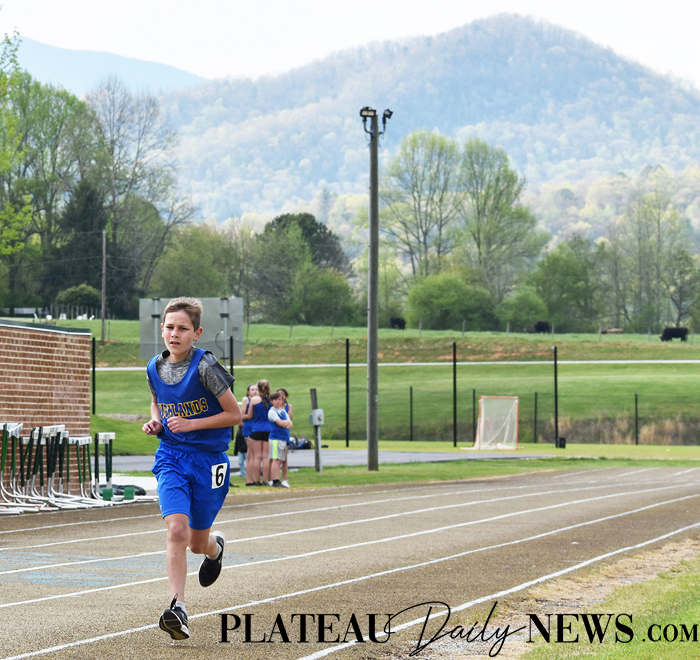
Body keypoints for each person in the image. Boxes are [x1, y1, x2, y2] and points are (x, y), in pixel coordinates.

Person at [142, 297, 241, 641]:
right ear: (162, 329)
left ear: (196, 333)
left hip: (208, 460)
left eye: (183, 329)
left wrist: (192, 424)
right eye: (170, 327)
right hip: (171, 456)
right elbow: (156, 400)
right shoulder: (154, 367)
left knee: (198, 544)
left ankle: (216, 548)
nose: (175, 334)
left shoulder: (205, 366)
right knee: (176, 532)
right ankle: (178, 607)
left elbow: (235, 414)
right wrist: (156, 422)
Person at [243, 379, 273, 485]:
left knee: (257, 456)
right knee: (265, 456)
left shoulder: (254, 400)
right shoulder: (271, 399)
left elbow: (250, 415)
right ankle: (265, 480)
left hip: (256, 428)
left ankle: (257, 480)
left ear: (258, 389)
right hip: (268, 428)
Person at [268, 391, 293, 487]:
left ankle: (279, 479)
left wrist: (285, 423)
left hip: (283, 438)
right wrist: (286, 423)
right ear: (271, 401)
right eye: (275, 399)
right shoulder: (272, 412)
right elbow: (280, 423)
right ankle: (275, 480)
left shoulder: (282, 411)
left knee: (281, 460)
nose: (278, 401)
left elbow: (290, 424)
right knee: (276, 459)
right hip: (276, 438)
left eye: (279, 399)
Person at [240, 383, 258, 485]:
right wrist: (252, 414)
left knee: (254, 455)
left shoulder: (259, 400)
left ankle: (253, 479)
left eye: (256, 389)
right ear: (248, 392)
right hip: (249, 427)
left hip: (256, 428)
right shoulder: (246, 399)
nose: (255, 391)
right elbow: (242, 415)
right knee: (251, 454)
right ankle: (249, 479)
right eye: (252, 389)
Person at [277, 388, 293, 488]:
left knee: (284, 458)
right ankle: (274, 478)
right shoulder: (274, 408)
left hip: (285, 433)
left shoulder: (288, 407)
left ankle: (284, 479)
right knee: (275, 459)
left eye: (282, 394)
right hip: (276, 434)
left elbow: (289, 420)